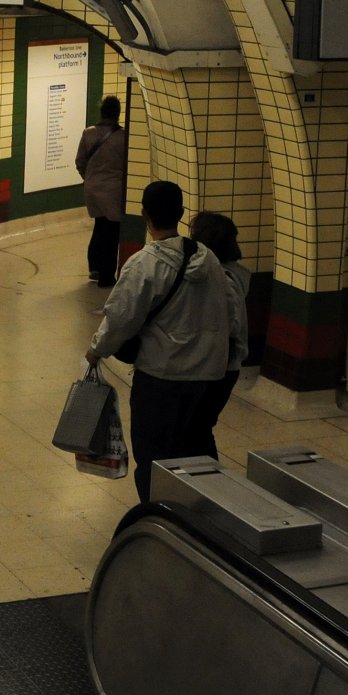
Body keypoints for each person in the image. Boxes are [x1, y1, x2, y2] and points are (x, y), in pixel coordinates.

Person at [83, 181, 242, 500]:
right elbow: (229, 311)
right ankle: (205, 512)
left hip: (161, 377)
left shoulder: (145, 263)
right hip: (206, 376)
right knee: (196, 451)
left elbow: (120, 318)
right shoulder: (209, 259)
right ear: (182, 213)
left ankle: (159, 520)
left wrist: (96, 350)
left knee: (153, 457)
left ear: (144, 215)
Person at [188, 211, 250, 459]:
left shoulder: (222, 279)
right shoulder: (234, 274)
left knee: (197, 429)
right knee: (199, 428)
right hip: (225, 364)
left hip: (219, 365)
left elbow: (230, 323)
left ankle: (210, 482)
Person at [75, 96, 128, 287]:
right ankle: (107, 275)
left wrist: (89, 178)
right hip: (114, 189)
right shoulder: (123, 137)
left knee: (100, 225)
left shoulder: (88, 133)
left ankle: (94, 266)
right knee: (112, 231)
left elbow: (80, 162)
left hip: (92, 187)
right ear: (118, 113)